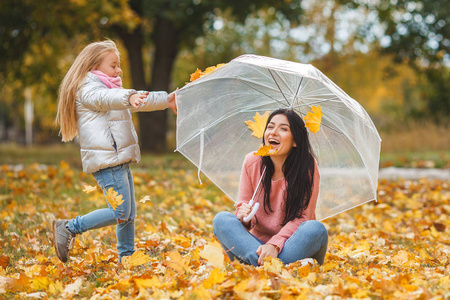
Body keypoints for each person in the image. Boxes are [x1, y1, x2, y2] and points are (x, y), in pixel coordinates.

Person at [52, 40, 177, 263]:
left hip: (117, 159)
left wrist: (167, 100)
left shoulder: (111, 87)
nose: (118, 70)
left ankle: (126, 257)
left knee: (128, 213)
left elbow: (137, 101)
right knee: (120, 212)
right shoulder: (88, 89)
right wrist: (127, 96)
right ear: (93, 66)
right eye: (113, 65)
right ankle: (69, 227)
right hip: (107, 161)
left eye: (118, 65)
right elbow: (106, 99)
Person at [213, 109, 328, 266]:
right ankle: (274, 266)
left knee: (316, 229)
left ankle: (258, 265)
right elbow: (243, 209)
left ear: (295, 141)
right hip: (256, 246)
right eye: (270, 127)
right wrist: (244, 215)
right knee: (222, 220)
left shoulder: (307, 166)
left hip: (292, 245)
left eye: (283, 129)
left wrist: (274, 244)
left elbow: (302, 217)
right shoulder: (252, 162)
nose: (273, 132)